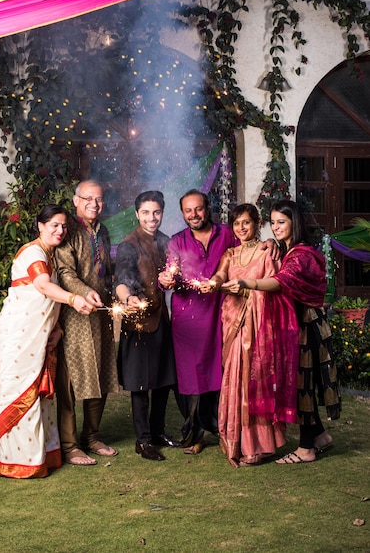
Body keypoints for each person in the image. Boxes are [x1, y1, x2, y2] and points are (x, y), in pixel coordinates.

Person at [227, 200, 341, 464]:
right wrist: (269, 243)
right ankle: (320, 436)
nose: (276, 227)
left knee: (302, 384)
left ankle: (305, 449)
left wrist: (247, 282)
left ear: (294, 223)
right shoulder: (285, 249)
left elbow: (281, 281)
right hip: (298, 324)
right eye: (274, 222)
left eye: (282, 222)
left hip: (307, 326)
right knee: (302, 383)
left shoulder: (302, 255)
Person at [0, 204, 94, 478]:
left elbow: (50, 300)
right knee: (19, 390)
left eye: (64, 226)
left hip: (43, 336)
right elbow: (42, 286)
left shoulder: (51, 255)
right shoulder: (33, 252)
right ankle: (17, 461)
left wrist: (58, 329)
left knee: (41, 393)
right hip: (20, 335)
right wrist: (74, 298)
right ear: (40, 225)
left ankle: (41, 456)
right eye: (54, 225)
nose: (60, 230)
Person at [200, 204, 286, 467]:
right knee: (234, 378)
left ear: (257, 223)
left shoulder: (266, 251)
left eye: (247, 223)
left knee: (255, 379)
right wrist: (212, 284)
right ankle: (236, 440)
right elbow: (220, 275)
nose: (242, 228)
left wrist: (249, 291)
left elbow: (277, 285)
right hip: (233, 322)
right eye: (237, 224)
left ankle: (258, 445)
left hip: (258, 325)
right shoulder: (230, 252)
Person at [158, 189, 239, 454]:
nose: (194, 215)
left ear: (208, 208)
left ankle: (224, 428)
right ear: (182, 213)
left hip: (222, 312)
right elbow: (171, 271)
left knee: (222, 370)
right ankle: (195, 434)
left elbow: (247, 255)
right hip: (188, 319)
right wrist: (167, 280)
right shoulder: (177, 241)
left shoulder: (227, 233)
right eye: (188, 211)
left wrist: (268, 245)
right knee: (192, 377)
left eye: (198, 209)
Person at [55, 180, 119, 466]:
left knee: (102, 371)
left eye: (100, 199)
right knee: (70, 380)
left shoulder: (102, 230)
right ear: (75, 200)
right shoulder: (67, 229)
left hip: (101, 312)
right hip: (75, 313)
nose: (95, 203)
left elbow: (105, 268)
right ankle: (69, 445)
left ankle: (91, 436)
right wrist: (83, 293)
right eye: (88, 198)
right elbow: (65, 272)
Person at [115, 190, 180, 461]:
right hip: (139, 323)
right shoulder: (129, 244)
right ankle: (142, 441)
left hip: (163, 320)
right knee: (140, 383)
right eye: (145, 212)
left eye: (156, 212)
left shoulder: (167, 242)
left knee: (163, 380)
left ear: (162, 213)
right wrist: (128, 297)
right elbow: (120, 279)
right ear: (137, 214)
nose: (151, 218)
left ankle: (157, 432)